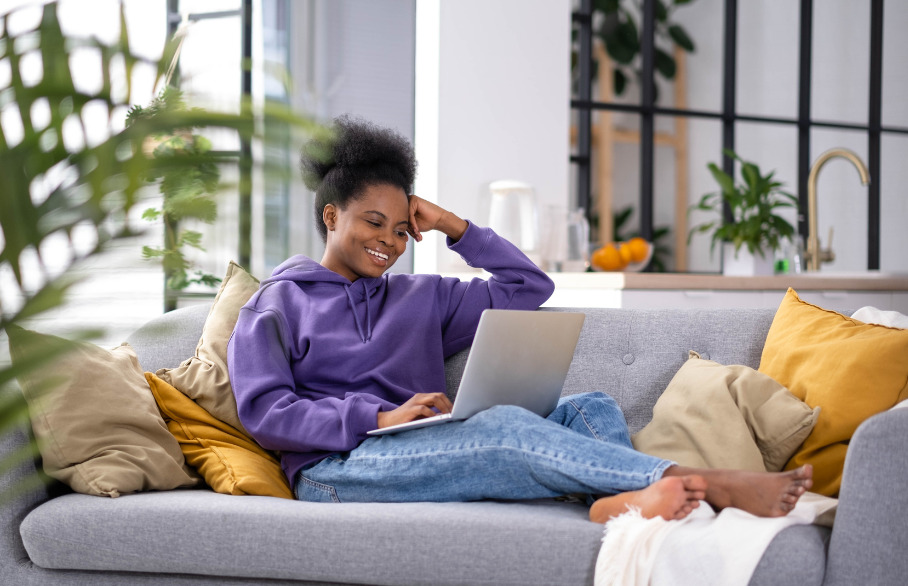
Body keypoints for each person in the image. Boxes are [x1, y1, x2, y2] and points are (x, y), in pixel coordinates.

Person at [227, 115, 813, 523]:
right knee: (503, 432)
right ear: (331, 215)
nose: (389, 241)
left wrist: (457, 227)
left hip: (422, 443)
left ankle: (611, 503)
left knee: (592, 408)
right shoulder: (275, 304)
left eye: (402, 230)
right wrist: (378, 417)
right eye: (372, 223)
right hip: (338, 470)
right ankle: (705, 481)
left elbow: (529, 286)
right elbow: (267, 414)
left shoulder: (420, 297)